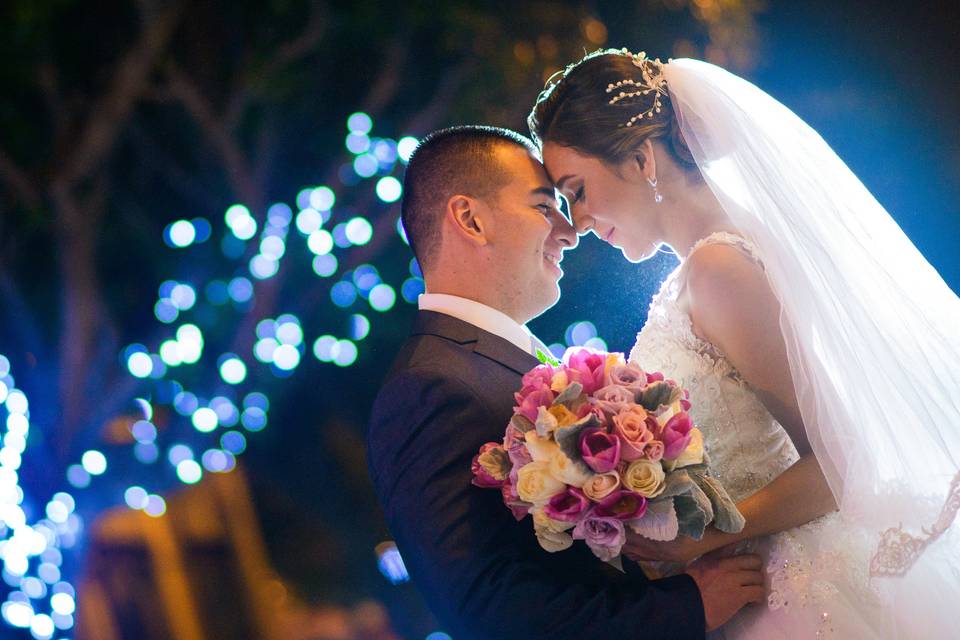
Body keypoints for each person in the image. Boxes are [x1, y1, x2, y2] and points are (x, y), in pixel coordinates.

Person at [528, 49, 960, 638]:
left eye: (577, 190)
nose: (576, 222)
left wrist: (706, 538)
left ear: (641, 158)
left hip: (793, 592)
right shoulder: (696, 272)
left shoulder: (718, 269)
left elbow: (839, 461)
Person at [366, 125, 765, 639]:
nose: (569, 230)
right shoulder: (427, 389)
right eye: (542, 207)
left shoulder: (516, 365)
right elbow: (488, 610)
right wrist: (687, 607)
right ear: (470, 219)